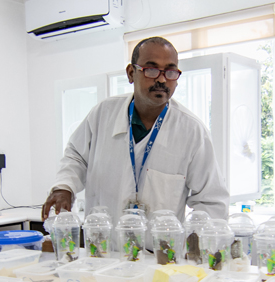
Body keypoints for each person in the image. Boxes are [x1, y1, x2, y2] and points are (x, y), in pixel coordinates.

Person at [41, 36, 229, 222]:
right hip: (105, 247)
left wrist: (197, 240)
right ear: (131, 73)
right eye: (152, 70)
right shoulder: (103, 114)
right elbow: (76, 156)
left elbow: (210, 201)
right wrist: (64, 186)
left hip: (159, 250)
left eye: (170, 72)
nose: (162, 80)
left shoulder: (192, 132)